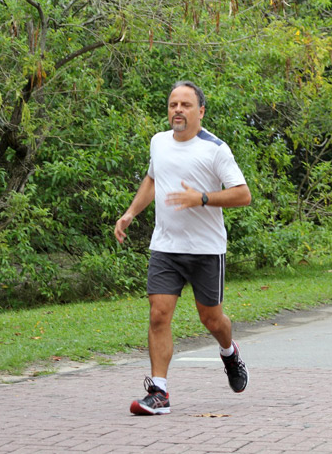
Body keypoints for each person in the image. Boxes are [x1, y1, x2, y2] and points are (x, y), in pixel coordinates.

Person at [114, 81, 252, 415]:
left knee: (212, 320)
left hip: (206, 250)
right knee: (158, 315)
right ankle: (159, 393)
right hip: (165, 247)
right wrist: (131, 213)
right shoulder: (159, 142)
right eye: (173, 104)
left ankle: (229, 352)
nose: (178, 110)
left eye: (186, 105)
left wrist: (202, 198)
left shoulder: (215, 149)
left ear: (200, 111)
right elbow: (152, 178)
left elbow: (243, 194)